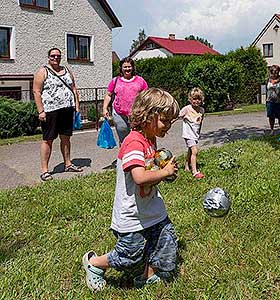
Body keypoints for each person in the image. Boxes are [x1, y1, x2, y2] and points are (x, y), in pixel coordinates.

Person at [82, 88, 180, 291]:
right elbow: (140, 177)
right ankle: (94, 263)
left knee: (166, 241)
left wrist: (166, 172)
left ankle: (148, 275)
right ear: (147, 117)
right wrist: (164, 172)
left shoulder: (150, 140)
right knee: (129, 255)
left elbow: (149, 170)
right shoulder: (133, 142)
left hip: (152, 209)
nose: (168, 126)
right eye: (165, 120)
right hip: (132, 214)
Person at [33, 47, 82, 182]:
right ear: (48, 57)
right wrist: (41, 111)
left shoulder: (66, 70)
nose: (56, 58)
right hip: (50, 111)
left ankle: (67, 164)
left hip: (67, 109)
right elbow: (36, 92)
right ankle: (45, 170)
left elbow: (73, 88)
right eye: (53, 56)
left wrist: (77, 105)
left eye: (58, 56)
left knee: (66, 138)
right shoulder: (42, 72)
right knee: (48, 139)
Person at [102, 57, 148, 144]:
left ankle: (136, 154)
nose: (127, 69)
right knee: (124, 139)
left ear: (133, 68)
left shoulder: (140, 81)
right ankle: (124, 156)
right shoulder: (115, 81)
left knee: (138, 136)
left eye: (129, 67)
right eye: (125, 67)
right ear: (121, 68)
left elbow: (146, 96)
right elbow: (108, 95)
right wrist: (104, 108)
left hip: (136, 114)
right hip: (119, 114)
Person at [179, 87, 205, 179]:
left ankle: (186, 165)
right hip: (188, 134)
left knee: (190, 151)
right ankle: (195, 172)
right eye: (194, 99)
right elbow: (177, 116)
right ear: (190, 99)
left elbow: (200, 123)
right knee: (195, 151)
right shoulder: (187, 109)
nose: (196, 101)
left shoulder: (202, 110)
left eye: (199, 99)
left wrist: (198, 134)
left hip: (195, 135)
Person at [266, 65, 280, 135]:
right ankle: (272, 130)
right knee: (271, 116)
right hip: (270, 101)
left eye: (277, 71)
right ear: (271, 72)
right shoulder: (268, 80)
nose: (276, 73)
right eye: (274, 72)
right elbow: (267, 90)